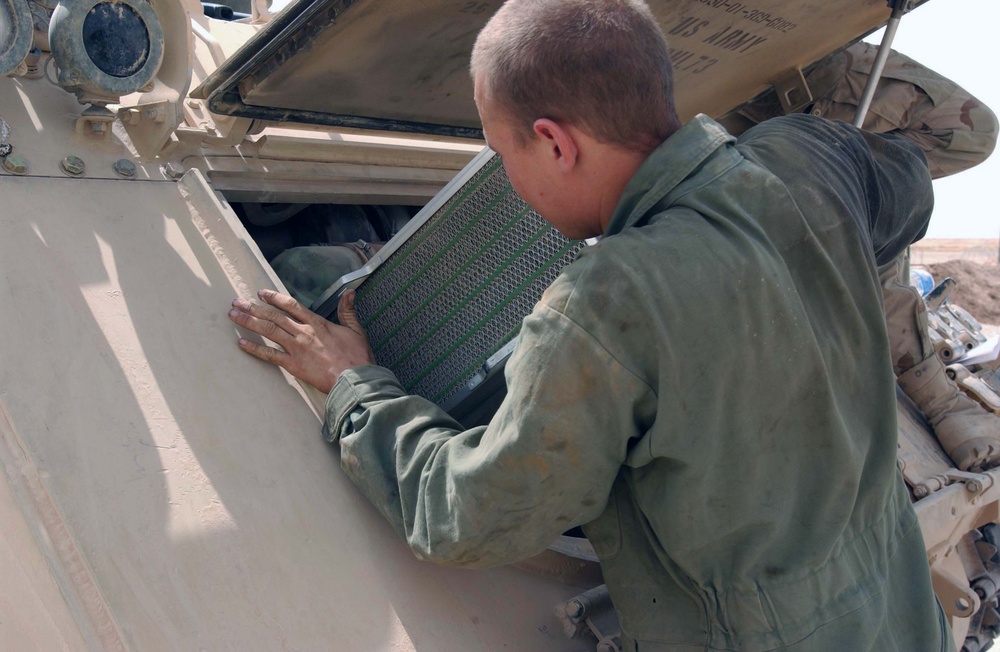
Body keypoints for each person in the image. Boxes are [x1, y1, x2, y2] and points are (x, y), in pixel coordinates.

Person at [228, 1, 951, 649]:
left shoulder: (605, 304)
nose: (503, 177)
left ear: (554, 143)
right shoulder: (808, 157)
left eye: (500, 152)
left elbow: (472, 518)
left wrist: (357, 387)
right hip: (905, 616)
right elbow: (910, 190)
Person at [723, 41, 1000, 472]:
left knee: (961, 138)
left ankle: (934, 395)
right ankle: (937, 399)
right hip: (753, 66)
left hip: (797, 52)